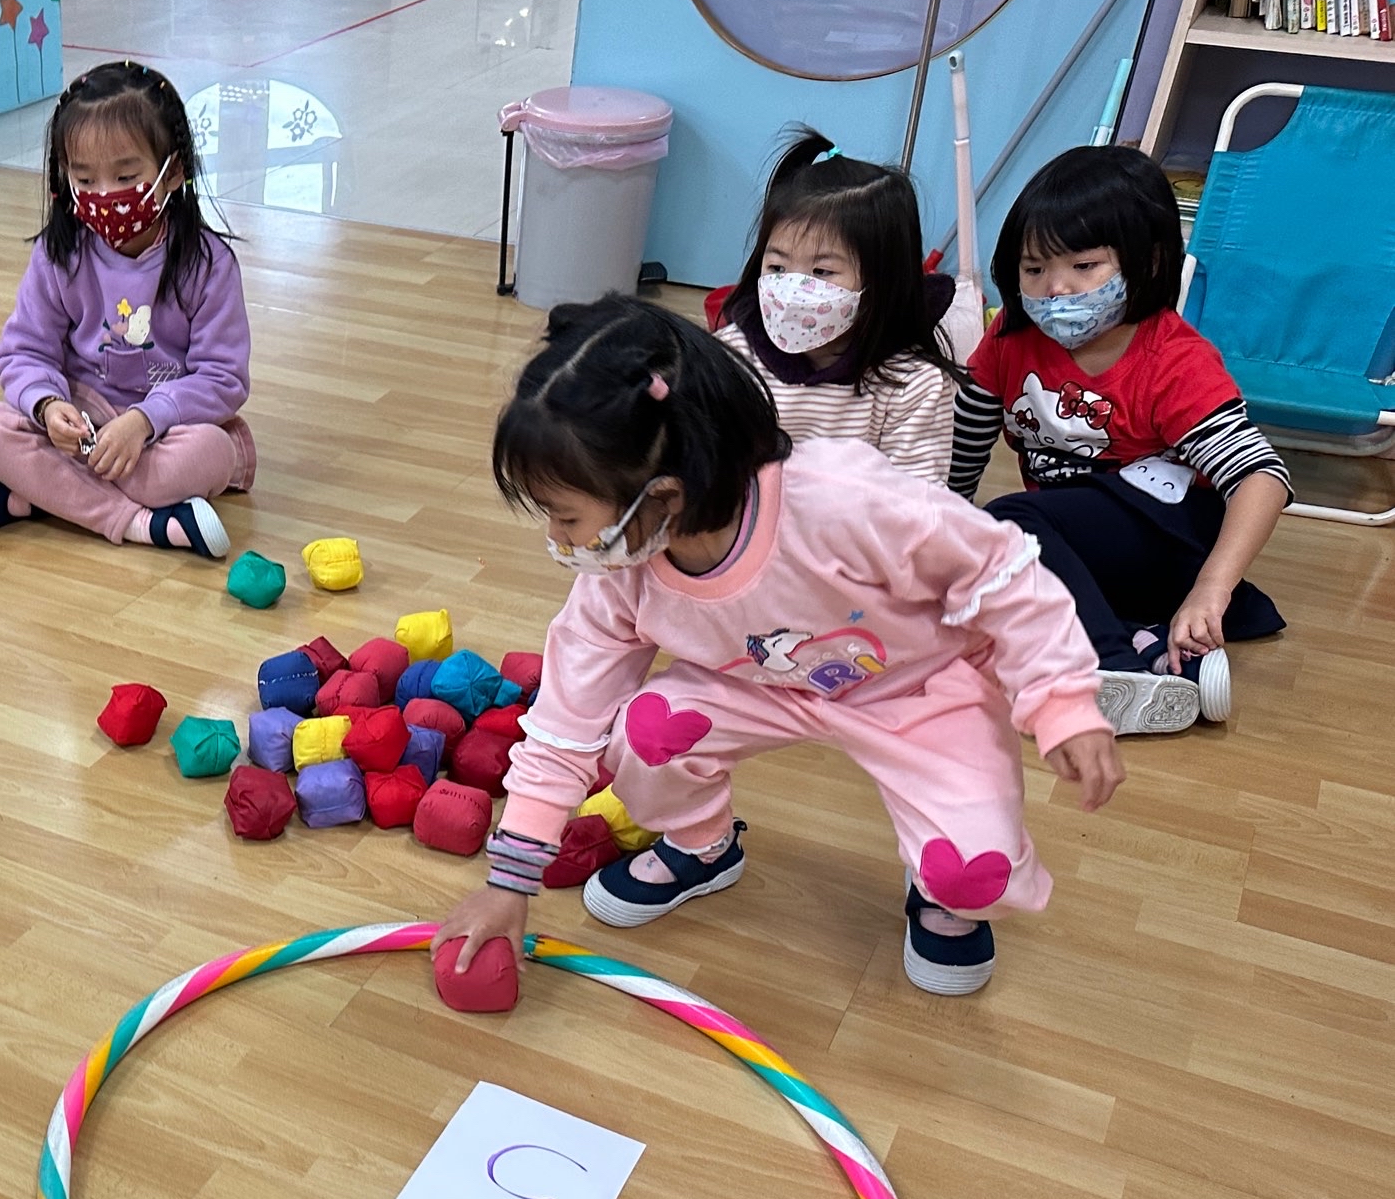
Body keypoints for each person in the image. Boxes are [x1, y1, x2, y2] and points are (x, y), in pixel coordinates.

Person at [435, 297, 1121, 998]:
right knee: (647, 731)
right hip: (762, 685)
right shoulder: (622, 577)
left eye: (566, 517)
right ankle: (703, 845)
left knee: (973, 872)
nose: (557, 540)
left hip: (921, 684)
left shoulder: (842, 500)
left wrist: (1061, 702)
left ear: (663, 497)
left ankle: (942, 891)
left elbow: (1002, 571)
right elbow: (566, 720)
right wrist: (510, 882)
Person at [960, 145, 1290, 735]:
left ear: (1149, 259)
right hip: (1091, 553)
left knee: (1009, 523)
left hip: (1170, 536)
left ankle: (1110, 667)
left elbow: (1262, 478)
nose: (1055, 289)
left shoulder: (1173, 360)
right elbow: (966, 442)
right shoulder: (1010, 338)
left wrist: (1211, 590)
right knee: (982, 565)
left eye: (1084, 266)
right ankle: (1158, 654)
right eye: (1033, 270)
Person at [0, 59, 253, 557]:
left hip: (164, 431)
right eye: (85, 178)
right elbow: (24, 352)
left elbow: (223, 378)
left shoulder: (209, 264)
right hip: (81, 422)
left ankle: (40, 495)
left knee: (212, 454)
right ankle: (141, 524)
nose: (104, 195)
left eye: (125, 175)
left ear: (173, 171)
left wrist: (144, 421)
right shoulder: (59, 254)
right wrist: (48, 406)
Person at [714, 130, 995, 497]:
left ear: (881, 281)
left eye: (822, 272)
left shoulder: (912, 383)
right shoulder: (735, 354)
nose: (792, 290)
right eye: (778, 268)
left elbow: (914, 502)